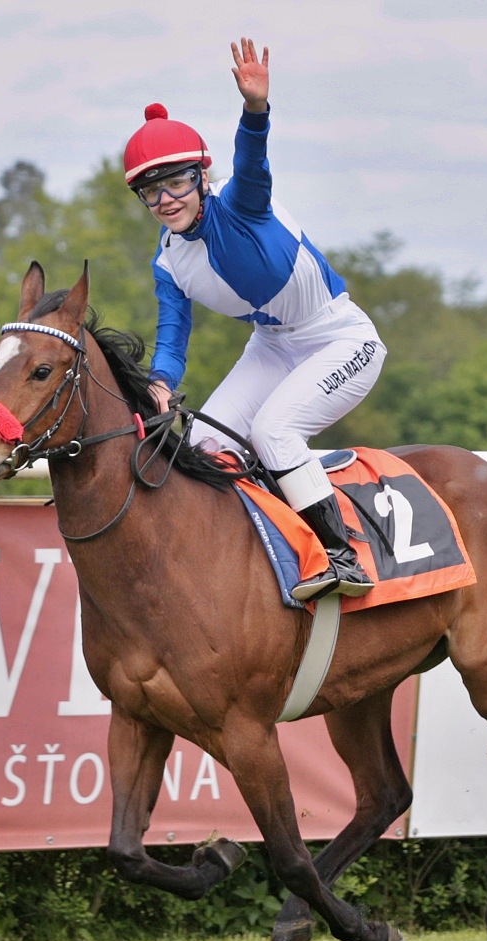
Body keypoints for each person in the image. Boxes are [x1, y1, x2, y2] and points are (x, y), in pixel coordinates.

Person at [122, 38, 388, 602]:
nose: (166, 199)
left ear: (201, 177)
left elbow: (251, 158)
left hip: (340, 339)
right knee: (202, 444)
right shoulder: (167, 262)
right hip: (271, 347)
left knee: (274, 431)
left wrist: (255, 107)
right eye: (151, 191)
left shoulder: (242, 202)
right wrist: (161, 383)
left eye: (176, 182)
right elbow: (172, 337)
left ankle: (341, 556)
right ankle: (254, 556)